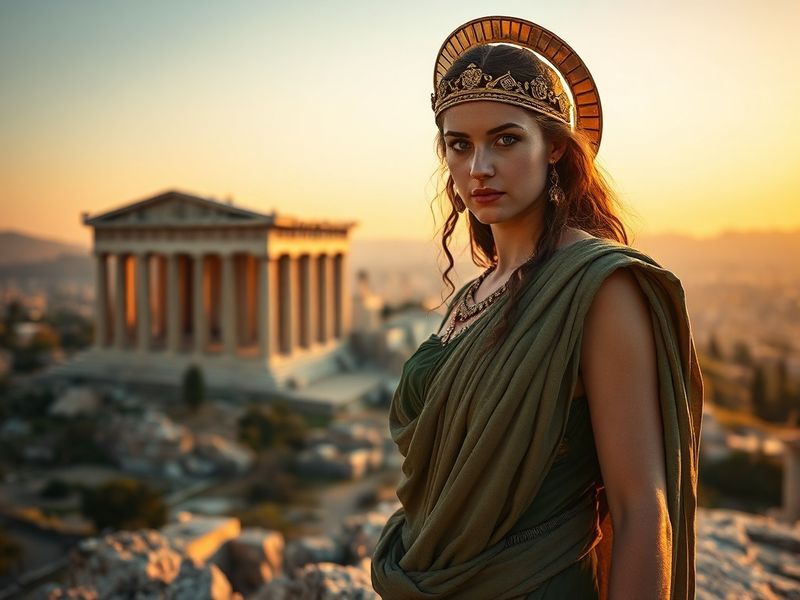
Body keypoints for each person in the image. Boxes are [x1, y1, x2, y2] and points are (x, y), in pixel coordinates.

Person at [370, 16, 703, 600]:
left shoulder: (598, 287)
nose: (479, 167)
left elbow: (639, 508)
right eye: (459, 145)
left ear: (555, 147)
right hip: (428, 579)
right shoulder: (473, 294)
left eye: (505, 139)